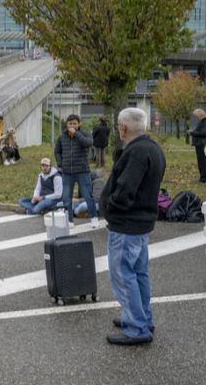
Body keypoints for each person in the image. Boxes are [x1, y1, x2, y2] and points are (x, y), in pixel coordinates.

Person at [100, 108, 165, 346]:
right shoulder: (153, 149)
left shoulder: (136, 152)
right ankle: (141, 318)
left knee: (123, 275)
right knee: (138, 274)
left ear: (123, 127)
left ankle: (137, 327)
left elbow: (126, 190)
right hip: (142, 222)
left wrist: (111, 207)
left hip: (127, 224)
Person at [55, 114, 96, 223]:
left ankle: (94, 218)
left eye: (74, 123)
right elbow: (57, 151)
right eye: (70, 123)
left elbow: (89, 143)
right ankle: (69, 221)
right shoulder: (62, 137)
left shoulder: (85, 134)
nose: (72, 125)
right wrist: (60, 163)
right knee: (66, 197)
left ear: (79, 124)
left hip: (83, 171)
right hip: (67, 172)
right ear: (66, 124)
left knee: (88, 195)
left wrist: (76, 134)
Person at [188, 109, 206, 183]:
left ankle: (204, 179)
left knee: (204, 162)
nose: (196, 118)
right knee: (201, 162)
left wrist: (193, 132)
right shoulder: (202, 122)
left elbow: (204, 133)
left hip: (203, 144)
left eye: (196, 116)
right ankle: (202, 177)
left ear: (200, 115)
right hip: (199, 144)